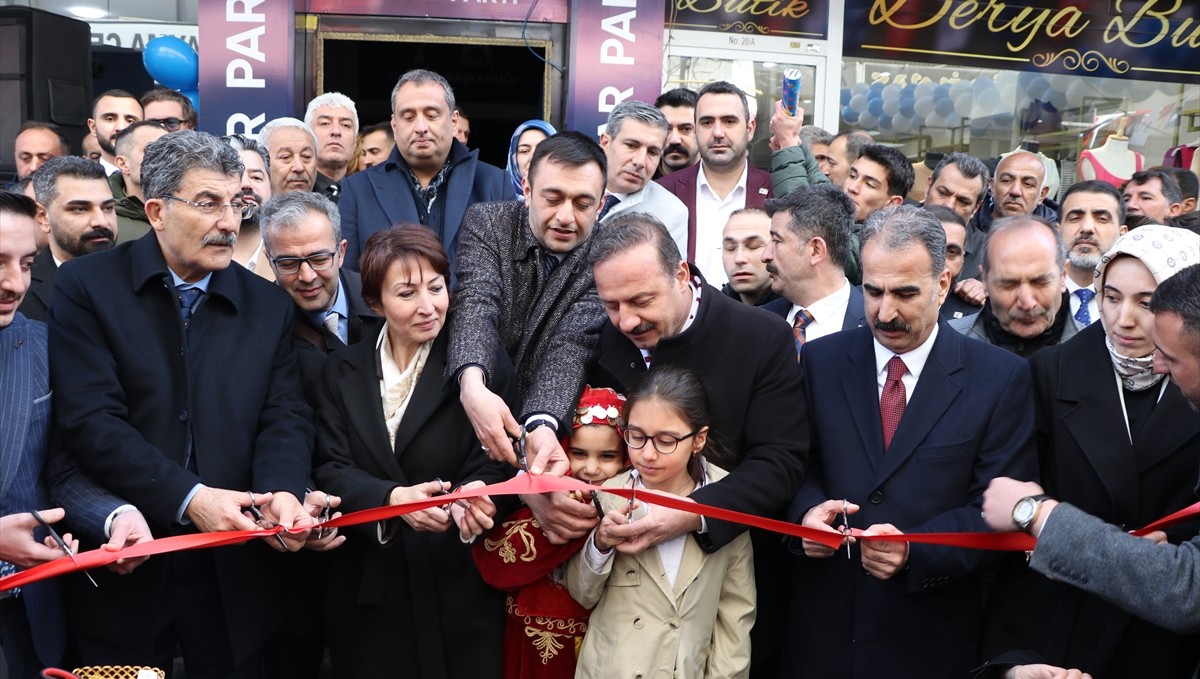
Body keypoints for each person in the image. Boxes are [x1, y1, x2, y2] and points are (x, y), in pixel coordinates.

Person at [48, 131, 317, 677]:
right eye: (208, 203)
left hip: (235, 565)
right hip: (129, 554)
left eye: (237, 203)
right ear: (156, 211)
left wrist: (284, 492)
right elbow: (91, 421)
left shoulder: (266, 304)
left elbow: (284, 416)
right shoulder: (87, 286)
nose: (229, 222)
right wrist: (190, 498)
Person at [782, 203, 1038, 679]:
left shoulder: (999, 379)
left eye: (905, 293)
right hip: (823, 636)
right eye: (873, 291)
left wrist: (916, 553)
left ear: (942, 286)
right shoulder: (821, 360)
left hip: (927, 640)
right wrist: (807, 518)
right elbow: (798, 466)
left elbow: (1001, 509)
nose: (885, 311)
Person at [578, 211, 806, 675]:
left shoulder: (760, 338)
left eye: (641, 300)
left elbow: (780, 462)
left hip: (718, 593)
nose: (626, 320)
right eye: (611, 305)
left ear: (681, 274)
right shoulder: (602, 339)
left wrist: (690, 515)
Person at [980, 225, 1200, 679]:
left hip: (1163, 630)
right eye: (1112, 296)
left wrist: (1171, 547)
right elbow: (1013, 511)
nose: (1124, 319)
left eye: (1147, 302)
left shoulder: (1192, 385)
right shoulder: (1051, 371)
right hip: (1062, 615)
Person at [313, 224, 513, 678]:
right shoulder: (340, 370)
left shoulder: (477, 364)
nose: (428, 307)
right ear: (375, 303)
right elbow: (329, 464)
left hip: (459, 576)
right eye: (406, 294)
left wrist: (479, 492)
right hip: (370, 583)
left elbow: (500, 458)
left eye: (437, 288)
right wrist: (389, 500)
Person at [0, 189, 151, 679]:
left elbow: (61, 469)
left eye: (27, 263)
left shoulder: (41, 347)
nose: (14, 283)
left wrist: (116, 517)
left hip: (29, 619)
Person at [567, 366, 755, 679]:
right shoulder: (608, 494)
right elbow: (581, 593)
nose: (648, 455)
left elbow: (736, 611)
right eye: (636, 437)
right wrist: (601, 543)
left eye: (665, 441)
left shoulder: (725, 498)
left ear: (699, 439)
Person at [447, 131, 609, 496]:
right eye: (553, 198)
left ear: (601, 205)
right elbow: (476, 302)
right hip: (466, 407)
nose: (566, 216)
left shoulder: (604, 254)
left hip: (543, 428)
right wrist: (472, 384)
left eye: (583, 204)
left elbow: (572, 346)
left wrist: (543, 423)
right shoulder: (489, 223)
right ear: (527, 189)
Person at [472, 385, 628, 679]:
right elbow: (495, 563)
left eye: (607, 456)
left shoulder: (627, 513)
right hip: (526, 636)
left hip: (596, 643)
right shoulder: (542, 501)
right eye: (578, 453)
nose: (591, 469)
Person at [339, 69, 509, 275]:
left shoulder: (495, 184)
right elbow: (349, 278)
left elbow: (509, 276)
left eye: (431, 115)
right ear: (395, 125)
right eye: (409, 117)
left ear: (454, 121)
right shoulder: (358, 189)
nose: (420, 127)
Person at [259, 191, 379, 405]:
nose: (307, 276)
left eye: (319, 259)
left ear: (341, 252)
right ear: (269, 260)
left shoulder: (381, 300)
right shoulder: (259, 327)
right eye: (288, 263)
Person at [657, 81, 772, 286]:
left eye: (729, 121)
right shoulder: (663, 192)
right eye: (707, 122)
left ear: (750, 128)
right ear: (696, 129)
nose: (718, 132)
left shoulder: (775, 191)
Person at [952, 216, 1076, 358]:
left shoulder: (1099, 352)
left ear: (1064, 276)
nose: (1027, 303)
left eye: (1040, 282)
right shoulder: (945, 347)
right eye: (1009, 285)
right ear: (985, 280)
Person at [761, 183, 865, 344]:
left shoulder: (874, 324)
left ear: (816, 250)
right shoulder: (758, 323)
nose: (765, 256)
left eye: (777, 241)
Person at [18, 155, 117, 321]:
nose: (101, 222)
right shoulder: (19, 290)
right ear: (43, 217)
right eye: (80, 209)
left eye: (107, 208)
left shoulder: (146, 279)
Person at [598, 101, 690, 257]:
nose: (640, 161)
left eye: (652, 152)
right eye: (631, 145)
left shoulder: (671, 212)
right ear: (605, 142)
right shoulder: (571, 184)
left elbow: (668, 278)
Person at [1056, 180, 1127, 331]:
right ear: (1057, 230)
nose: (1087, 228)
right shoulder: (1035, 295)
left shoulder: (1137, 302)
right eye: (1075, 218)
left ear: (1123, 234)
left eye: (1102, 219)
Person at [221, 133, 274, 276]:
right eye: (236, 175)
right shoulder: (196, 258)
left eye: (256, 177)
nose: (246, 185)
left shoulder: (286, 256)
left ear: (271, 187)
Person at [110, 119, 169, 243]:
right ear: (123, 164)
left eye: (169, 150)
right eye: (152, 149)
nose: (164, 157)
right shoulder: (106, 219)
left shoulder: (189, 208)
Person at [925, 204, 980, 320]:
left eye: (952, 252)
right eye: (931, 248)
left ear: (963, 258)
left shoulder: (975, 317)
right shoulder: (879, 301)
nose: (941, 261)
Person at [304, 91, 358, 201]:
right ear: (307, 136)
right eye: (325, 123)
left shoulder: (367, 194)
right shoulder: (294, 192)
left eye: (345, 125)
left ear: (355, 141)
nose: (336, 131)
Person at [720, 207, 779, 307]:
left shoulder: (798, 314)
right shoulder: (711, 312)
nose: (739, 259)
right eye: (730, 248)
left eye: (753, 246)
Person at [87, 89, 143, 175]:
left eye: (130, 121)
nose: (121, 127)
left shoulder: (158, 180)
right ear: (93, 127)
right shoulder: (81, 182)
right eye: (110, 119)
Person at [259, 117, 318, 195]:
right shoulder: (244, 205)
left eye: (306, 156)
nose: (299, 167)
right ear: (262, 164)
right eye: (286, 157)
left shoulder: (334, 205)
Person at [505, 119, 557, 201]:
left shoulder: (571, 196)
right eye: (524, 151)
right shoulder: (496, 198)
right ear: (513, 159)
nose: (533, 158)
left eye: (542, 150)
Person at [654, 88, 699, 177]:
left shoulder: (721, 181)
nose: (674, 140)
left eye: (686, 129)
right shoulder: (638, 183)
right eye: (666, 129)